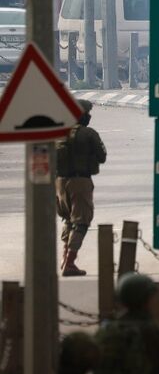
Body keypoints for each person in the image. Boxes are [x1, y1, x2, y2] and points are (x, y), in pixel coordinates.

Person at [55, 99, 107, 277]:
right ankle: (70, 262)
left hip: (60, 183)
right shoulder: (89, 134)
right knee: (81, 222)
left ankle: (64, 258)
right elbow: (102, 156)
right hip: (80, 182)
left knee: (68, 220)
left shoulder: (58, 133)